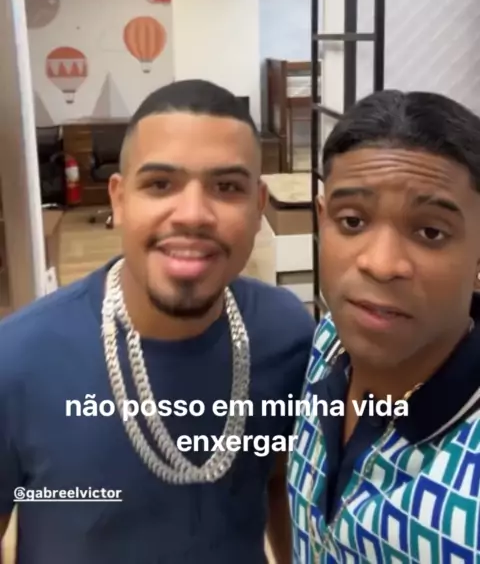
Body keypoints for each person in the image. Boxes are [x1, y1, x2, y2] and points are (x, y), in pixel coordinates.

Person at [0, 79, 315, 564]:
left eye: (227, 187)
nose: (192, 215)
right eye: (160, 184)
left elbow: (280, 482)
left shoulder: (287, 334)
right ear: (119, 200)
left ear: (258, 207)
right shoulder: (19, 359)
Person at [288, 89, 480, 562]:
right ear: (321, 222)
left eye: (430, 232)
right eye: (352, 221)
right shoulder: (328, 342)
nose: (381, 263)